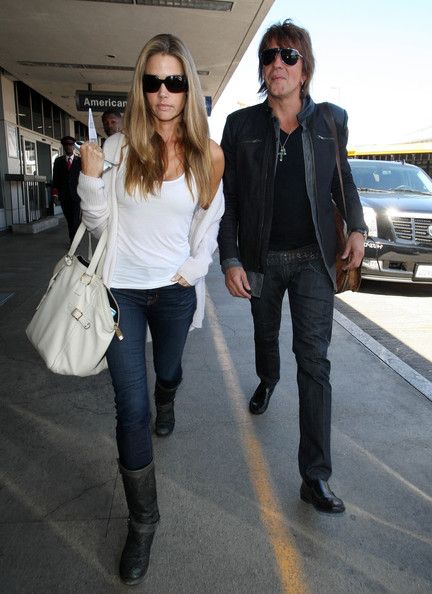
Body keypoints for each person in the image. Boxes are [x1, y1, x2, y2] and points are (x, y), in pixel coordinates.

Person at [78, 34, 224, 585]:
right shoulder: (117, 152)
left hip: (174, 291)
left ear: (188, 87)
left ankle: (170, 394)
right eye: (153, 81)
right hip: (122, 293)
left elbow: (209, 227)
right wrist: (91, 181)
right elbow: (95, 228)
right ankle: (143, 522)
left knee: (167, 372)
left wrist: (193, 271)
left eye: (175, 82)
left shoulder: (208, 155)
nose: (164, 93)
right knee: (129, 409)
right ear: (141, 87)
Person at [217, 19, 367, 515]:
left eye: (287, 56)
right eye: (268, 56)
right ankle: (266, 378)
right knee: (265, 338)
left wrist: (357, 229)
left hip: (312, 261)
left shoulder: (329, 120)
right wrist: (231, 257)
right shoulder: (241, 127)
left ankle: (314, 477)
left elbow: (342, 179)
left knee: (315, 364)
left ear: (305, 69)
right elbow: (229, 201)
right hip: (261, 261)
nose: (276, 63)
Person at [51, 135, 81, 242]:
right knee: (69, 219)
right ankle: (73, 238)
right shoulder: (58, 161)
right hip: (64, 196)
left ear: (74, 147)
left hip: (77, 195)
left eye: (70, 145)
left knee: (75, 220)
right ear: (63, 147)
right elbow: (55, 179)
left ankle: (74, 241)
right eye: (66, 145)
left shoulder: (80, 161)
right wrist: (55, 194)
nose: (68, 147)